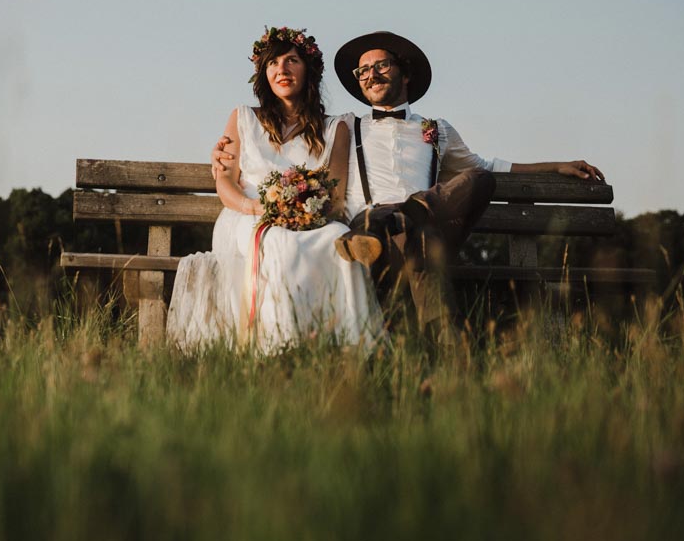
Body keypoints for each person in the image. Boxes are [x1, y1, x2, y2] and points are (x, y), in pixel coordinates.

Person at [213, 30, 603, 343]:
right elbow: (306, 160)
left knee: (479, 180)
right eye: (362, 72)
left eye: (380, 65)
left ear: (405, 73)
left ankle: (409, 215)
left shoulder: (437, 130)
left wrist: (555, 165)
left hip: (416, 225)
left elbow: (490, 167)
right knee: (420, 248)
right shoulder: (347, 125)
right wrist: (225, 159)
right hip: (370, 229)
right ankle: (446, 349)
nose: (371, 75)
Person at [167, 27, 380, 353]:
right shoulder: (243, 119)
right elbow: (224, 183)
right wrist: (255, 208)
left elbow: (335, 197)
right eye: (272, 63)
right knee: (279, 241)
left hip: (311, 219)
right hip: (247, 214)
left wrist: (305, 215)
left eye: (291, 60)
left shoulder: (336, 127)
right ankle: (279, 347)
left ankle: (352, 346)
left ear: (308, 70)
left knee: (338, 238)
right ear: (263, 73)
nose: (281, 69)